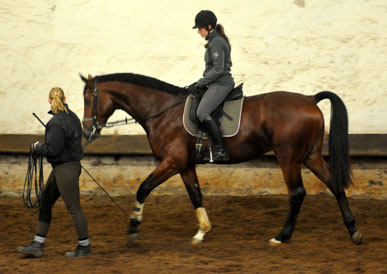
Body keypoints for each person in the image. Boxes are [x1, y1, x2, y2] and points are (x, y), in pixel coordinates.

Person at [17, 87, 91, 258]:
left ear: (50, 100)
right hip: (66, 167)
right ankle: (38, 244)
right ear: (64, 98)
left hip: (65, 169)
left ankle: (84, 246)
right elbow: (70, 141)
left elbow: (53, 149)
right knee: (45, 202)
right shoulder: (72, 117)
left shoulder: (55, 122)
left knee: (74, 208)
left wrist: (37, 147)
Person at [190, 10, 235, 161]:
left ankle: (221, 149)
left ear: (209, 27)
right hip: (214, 82)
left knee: (201, 112)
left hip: (221, 83)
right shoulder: (214, 41)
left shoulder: (216, 42)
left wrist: (200, 82)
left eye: (200, 28)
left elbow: (218, 69)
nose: (198, 31)